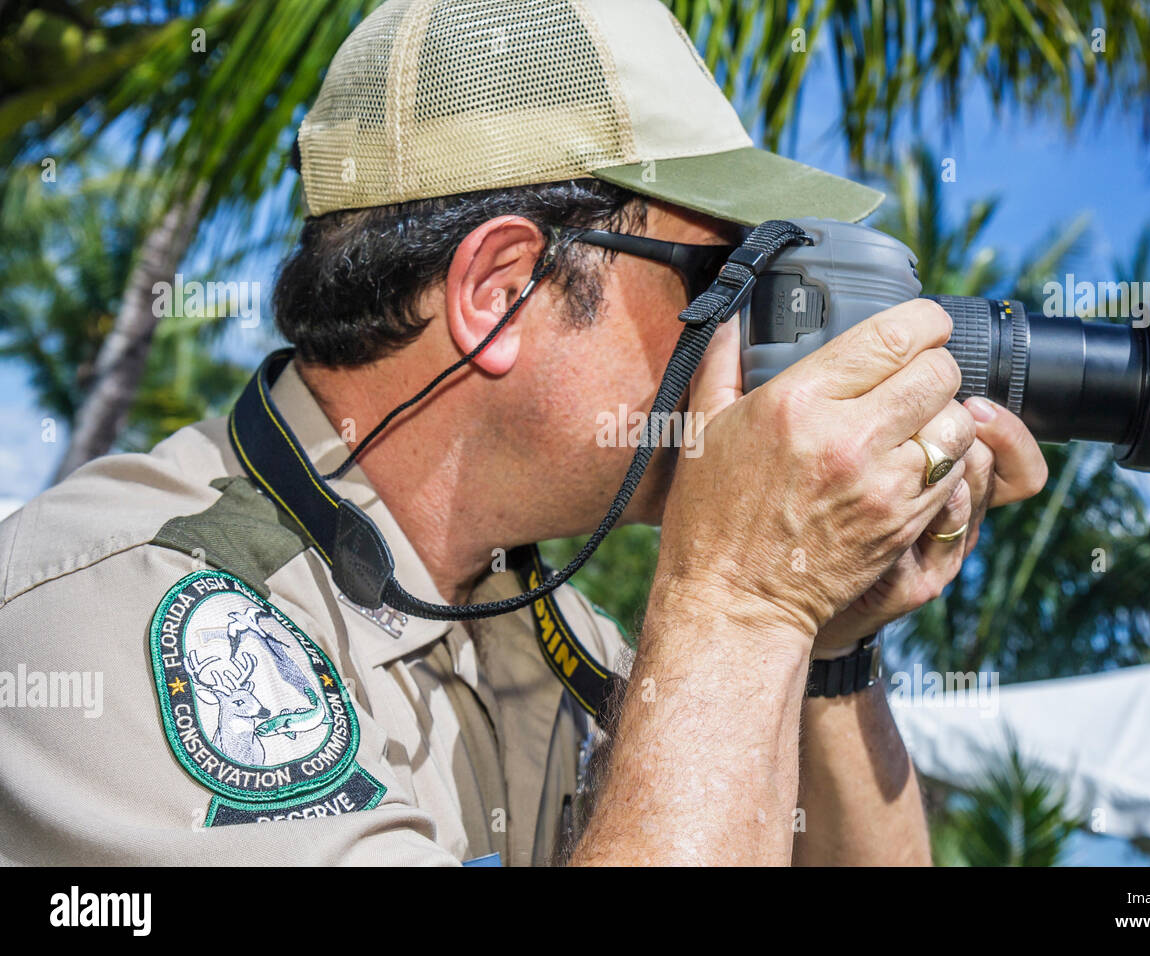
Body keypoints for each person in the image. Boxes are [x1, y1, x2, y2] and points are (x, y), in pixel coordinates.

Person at [0, 0, 1046, 866]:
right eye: (718, 280)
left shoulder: (550, 627)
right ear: (499, 292)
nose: (753, 334)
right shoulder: (125, 626)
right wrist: (745, 598)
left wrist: (827, 643)